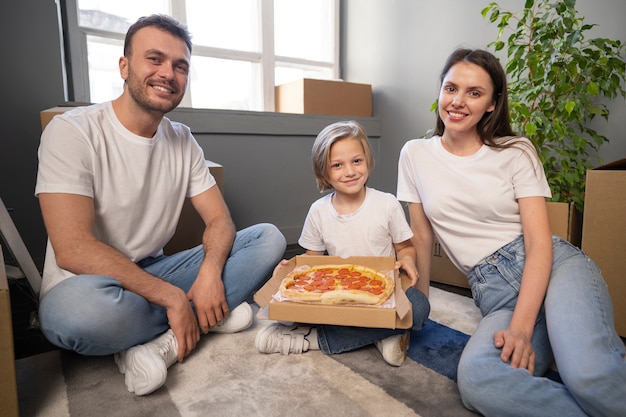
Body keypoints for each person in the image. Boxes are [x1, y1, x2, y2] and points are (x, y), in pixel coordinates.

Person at [35, 14, 286, 396]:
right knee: (76, 317)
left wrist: (207, 276)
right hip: (86, 287)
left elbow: (220, 221)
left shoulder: (183, 140)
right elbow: (72, 248)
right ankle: (202, 316)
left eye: (180, 65)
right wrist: (171, 297)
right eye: (155, 59)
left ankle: (161, 343)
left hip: (153, 270)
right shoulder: (72, 131)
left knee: (268, 238)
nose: (168, 73)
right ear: (124, 66)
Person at [397, 48, 626, 417]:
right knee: (480, 380)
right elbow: (421, 237)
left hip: (554, 269)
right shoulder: (415, 154)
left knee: (588, 376)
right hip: (496, 293)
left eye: (474, 93)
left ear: (491, 104)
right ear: (439, 91)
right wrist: (418, 307)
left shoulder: (515, 151)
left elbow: (538, 242)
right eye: (451, 88)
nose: (458, 101)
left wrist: (520, 329)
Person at [254, 121, 430, 366]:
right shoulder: (318, 211)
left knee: (420, 308)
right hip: (337, 292)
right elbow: (312, 259)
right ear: (324, 173)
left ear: (368, 161)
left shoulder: (387, 204)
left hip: (383, 287)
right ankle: (385, 333)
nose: (349, 171)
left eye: (356, 161)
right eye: (337, 165)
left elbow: (405, 247)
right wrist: (292, 271)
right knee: (304, 309)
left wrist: (408, 261)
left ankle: (310, 339)